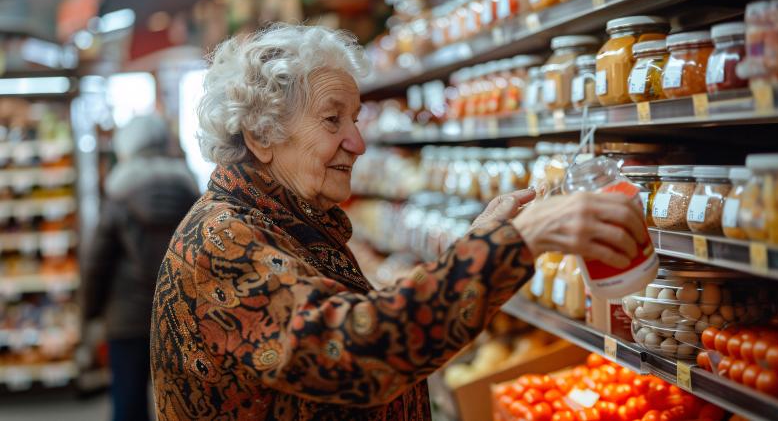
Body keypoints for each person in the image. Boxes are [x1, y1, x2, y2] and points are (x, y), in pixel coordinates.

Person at [150, 24, 647, 420]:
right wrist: (516, 243)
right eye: (332, 120)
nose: (358, 142)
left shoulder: (288, 221)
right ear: (261, 134)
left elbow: (367, 325)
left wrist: (477, 245)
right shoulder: (223, 242)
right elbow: (357, 350)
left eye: (356, 118)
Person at [81, 114, 200, 421]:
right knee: (182, 402)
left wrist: (89, 312)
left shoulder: (118, 192)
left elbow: (98, 261)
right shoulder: (188, 186)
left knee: (128, 400)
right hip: (179, 313)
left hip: (126, 317)